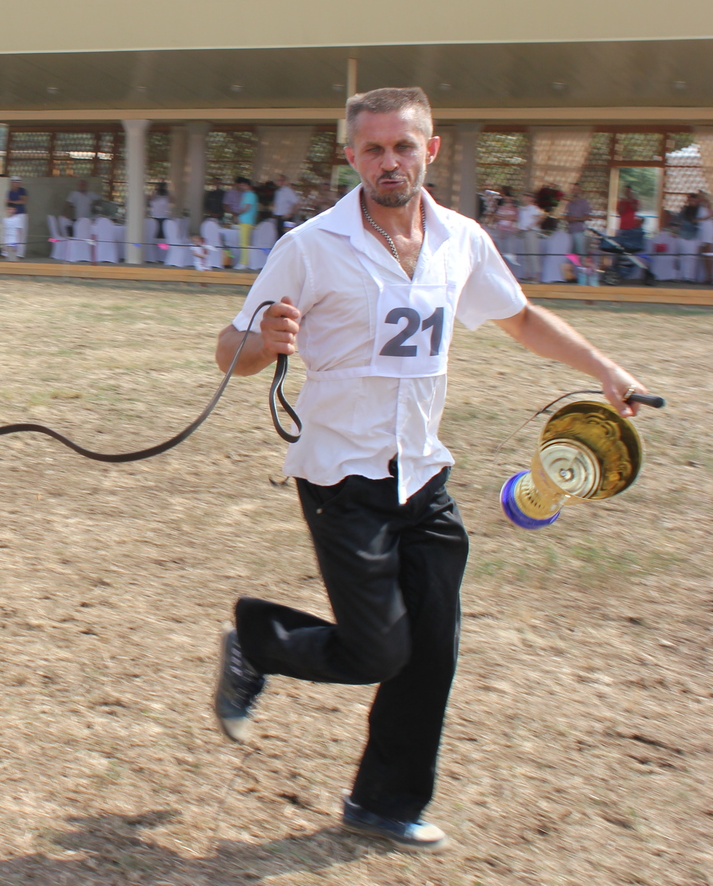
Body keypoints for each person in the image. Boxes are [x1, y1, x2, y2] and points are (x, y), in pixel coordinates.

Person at [211, 86, 646, 855]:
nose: (389, 162)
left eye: (403, 146)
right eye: (373, 149)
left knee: (433, 651)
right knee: (378, 649)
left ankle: (384, 802)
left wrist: (604, 367)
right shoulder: (310, 246)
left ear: (431, 149)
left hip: (425, 476)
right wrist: (262, 341)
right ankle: (259, 637)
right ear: (350, 156)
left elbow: (519, 316)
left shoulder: (461, 240)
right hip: (343, 476)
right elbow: (231, 352)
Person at [516, 190, 544, 282]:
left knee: (533, 253)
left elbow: (540, 217)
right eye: (525, 195)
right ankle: (528, 274)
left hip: (531, 232)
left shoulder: (533, 208)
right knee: (525, 254)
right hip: (523, 232)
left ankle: (536, 275)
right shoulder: (522, 208)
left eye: (529, 196)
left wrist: (531, 226)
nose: (527, 198)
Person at [234, 177, 259, 269]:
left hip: (246, 221)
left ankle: (244, 263)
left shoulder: (250, 195)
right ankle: (243, 262)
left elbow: (246, 207)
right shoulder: (247, 194)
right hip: (245, 221)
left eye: (243, 185)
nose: (241, 187)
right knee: (243, 242)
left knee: (243, 243)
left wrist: (237, 214)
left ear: (247, 185)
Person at [563, 183, 593, 258]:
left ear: (580, 191)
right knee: (570, 254)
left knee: (581, 253)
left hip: (579, 231)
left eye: (576, 189)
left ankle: (581, 268)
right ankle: (573, 268)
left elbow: (587, 216)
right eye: (573, 189)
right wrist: (576, 218)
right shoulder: (569, 203)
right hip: (570, 231)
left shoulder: (584, 202)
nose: (575, 191)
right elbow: (567, 217)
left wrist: (575, 219)